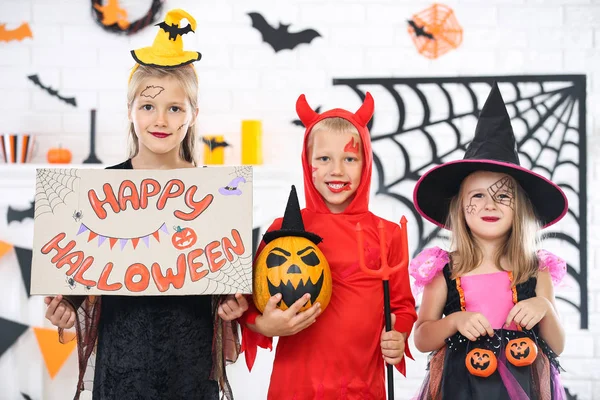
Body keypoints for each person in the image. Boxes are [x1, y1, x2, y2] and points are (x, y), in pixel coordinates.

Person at [43, 9, 244, 400]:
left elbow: (223, 281)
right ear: (131, 110)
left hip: (191, 360)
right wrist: (65, 306)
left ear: (193, 115)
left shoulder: (217, 193)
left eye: (175, 108)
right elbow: (84, 269)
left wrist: (231, 305)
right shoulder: (100, 189)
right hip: (122, 362)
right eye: (148, 106)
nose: (161, 119)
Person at [221, 92, 417, 399]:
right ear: (307, 161)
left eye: (349, 159)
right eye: (324, 158)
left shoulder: (387, 234)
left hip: (363, 387)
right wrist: (263, 324)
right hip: (295, 386)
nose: (336, 170)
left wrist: (398, 334)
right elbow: (247, 302)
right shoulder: (282, 233)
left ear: (366, 164)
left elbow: (403, 307)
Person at [409, 82, 568, 399]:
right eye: (477, 196)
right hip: (459, 385)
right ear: (460, 208)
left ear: (519, 208)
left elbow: (558, 346)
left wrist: (544, 307)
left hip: (525, 384)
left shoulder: (536, 269)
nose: (489, 205)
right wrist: (454, 321)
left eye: (502, 195)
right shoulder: (445, 270)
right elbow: (423, 337)